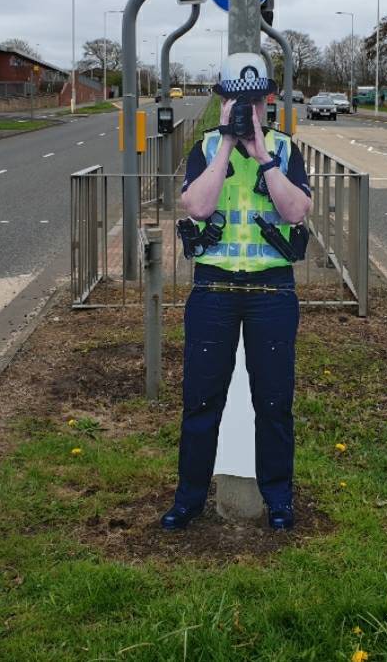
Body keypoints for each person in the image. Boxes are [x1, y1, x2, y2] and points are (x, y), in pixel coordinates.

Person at [163, 53, 313, 533]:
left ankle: (278, 499)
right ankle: (189, 499)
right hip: (214, 290)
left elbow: (294, 213)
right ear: (224, 102)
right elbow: (199, 207)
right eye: (236, 101)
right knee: (202, 400)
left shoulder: (286, 150)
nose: (247, 109)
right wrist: (228, 143)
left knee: (274, 402)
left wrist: (263, 153)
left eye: (254, 101)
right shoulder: (206, 148)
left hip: (272, 291)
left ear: (268, 100)